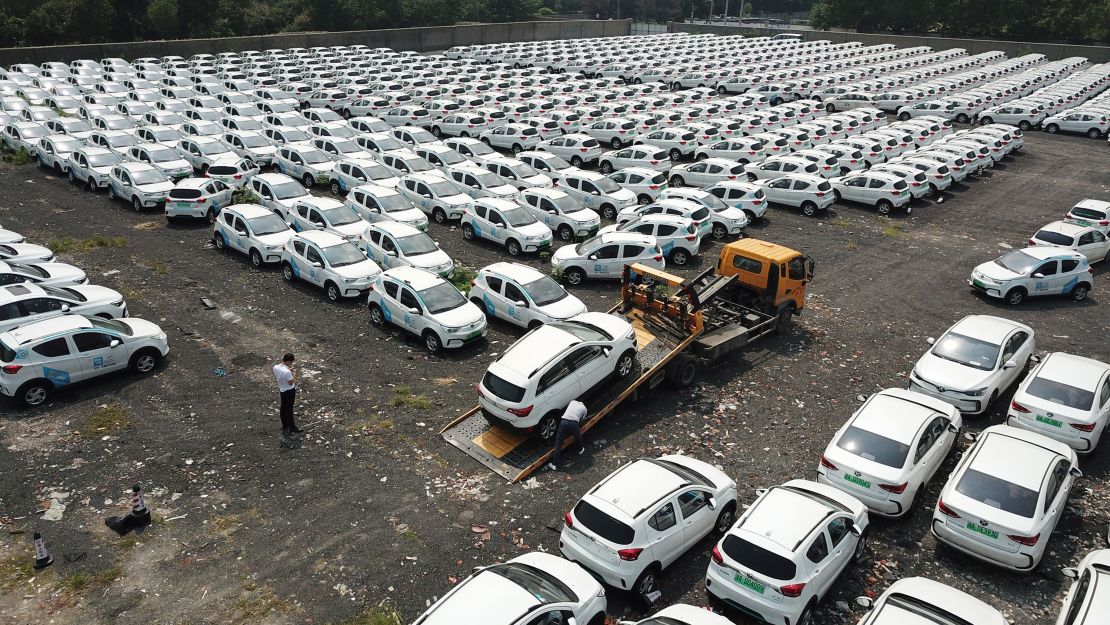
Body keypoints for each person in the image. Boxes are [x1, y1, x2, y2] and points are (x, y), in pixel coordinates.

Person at [546, 399, 587, 471]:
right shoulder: (584, 409)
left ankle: (555, 465)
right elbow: (581, 420)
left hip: (563, 422)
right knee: (578, 437)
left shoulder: (572, 402)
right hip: (574, 424)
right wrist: (577, 427)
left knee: (558, 444)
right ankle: (581, 449)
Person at [273, 353, 301, 435]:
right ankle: (292, 427)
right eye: (291, 362)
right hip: (289, 391)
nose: (291, 364)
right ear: (289, 361)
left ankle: (284, 424)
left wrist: (289, 369)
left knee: (283, 407)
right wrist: (294, 373)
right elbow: (291, 382)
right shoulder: (287, 372)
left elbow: (282, 373)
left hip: (282, 389)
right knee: (289, 409)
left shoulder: (275, 367)